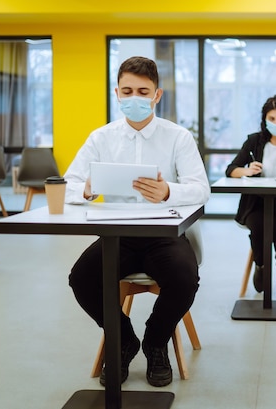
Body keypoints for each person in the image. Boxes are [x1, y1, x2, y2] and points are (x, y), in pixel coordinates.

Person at [64, 56, 210, 387]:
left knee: (185, 278)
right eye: (127, 90)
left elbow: (202, 190)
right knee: (82, 279)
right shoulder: (101, 138)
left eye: (143, 91)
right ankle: (123, 340)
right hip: (118, 236)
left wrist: (167, 191)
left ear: (157, 95)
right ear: (116, 92)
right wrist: (86, 189)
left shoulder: (178, 137)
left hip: (166, 235)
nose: (134, 98)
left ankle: (156, 342)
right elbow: (68, 183)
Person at [225, 94, 276, 294]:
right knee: (259, 226)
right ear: (264, 119)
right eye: (272, 119)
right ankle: (261, 267)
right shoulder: (254, 141)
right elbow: (231, 169)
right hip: (256, 204)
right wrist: (247, 170)